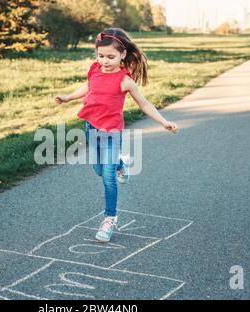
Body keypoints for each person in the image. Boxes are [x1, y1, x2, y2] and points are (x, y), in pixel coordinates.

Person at [55, 27, 178, 242]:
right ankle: (121, 165)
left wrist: (164, 122)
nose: (104, 61)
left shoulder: (125, 80)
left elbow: (144, 104)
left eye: (110, 57)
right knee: (99, 170)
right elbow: (88, 87)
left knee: (108, 178)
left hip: (111, 132)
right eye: (100, 56)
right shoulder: (94, 70)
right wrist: (68, 97)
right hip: (91, 127)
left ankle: (109, 219)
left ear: (122, 55)